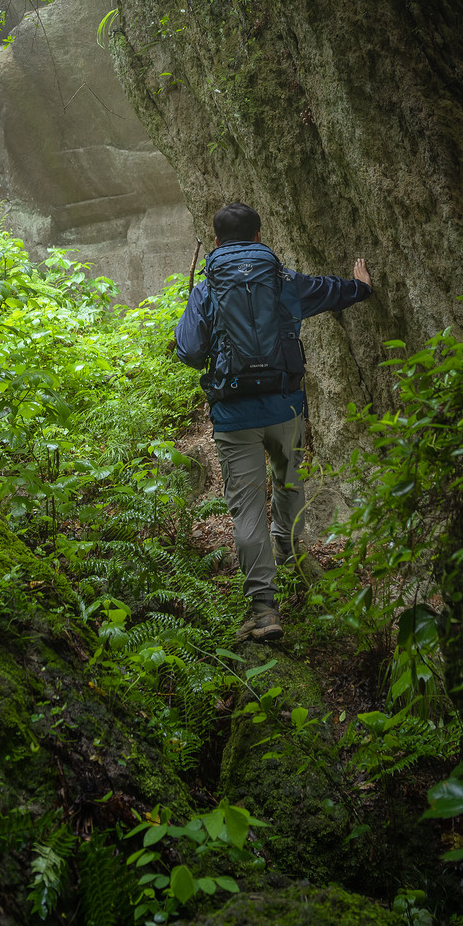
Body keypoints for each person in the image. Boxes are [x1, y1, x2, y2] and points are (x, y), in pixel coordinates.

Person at [174, 202, 372, 642]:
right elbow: (326, 290)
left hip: (233, 414)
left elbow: (188, 352)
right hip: (284, 406)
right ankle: (287, 545)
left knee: (246, 510)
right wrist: (360, 288)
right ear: (259, 237)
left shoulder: (207, 288)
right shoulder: (280, 279)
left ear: (218, 241)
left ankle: (265, 609)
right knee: (288, 481)